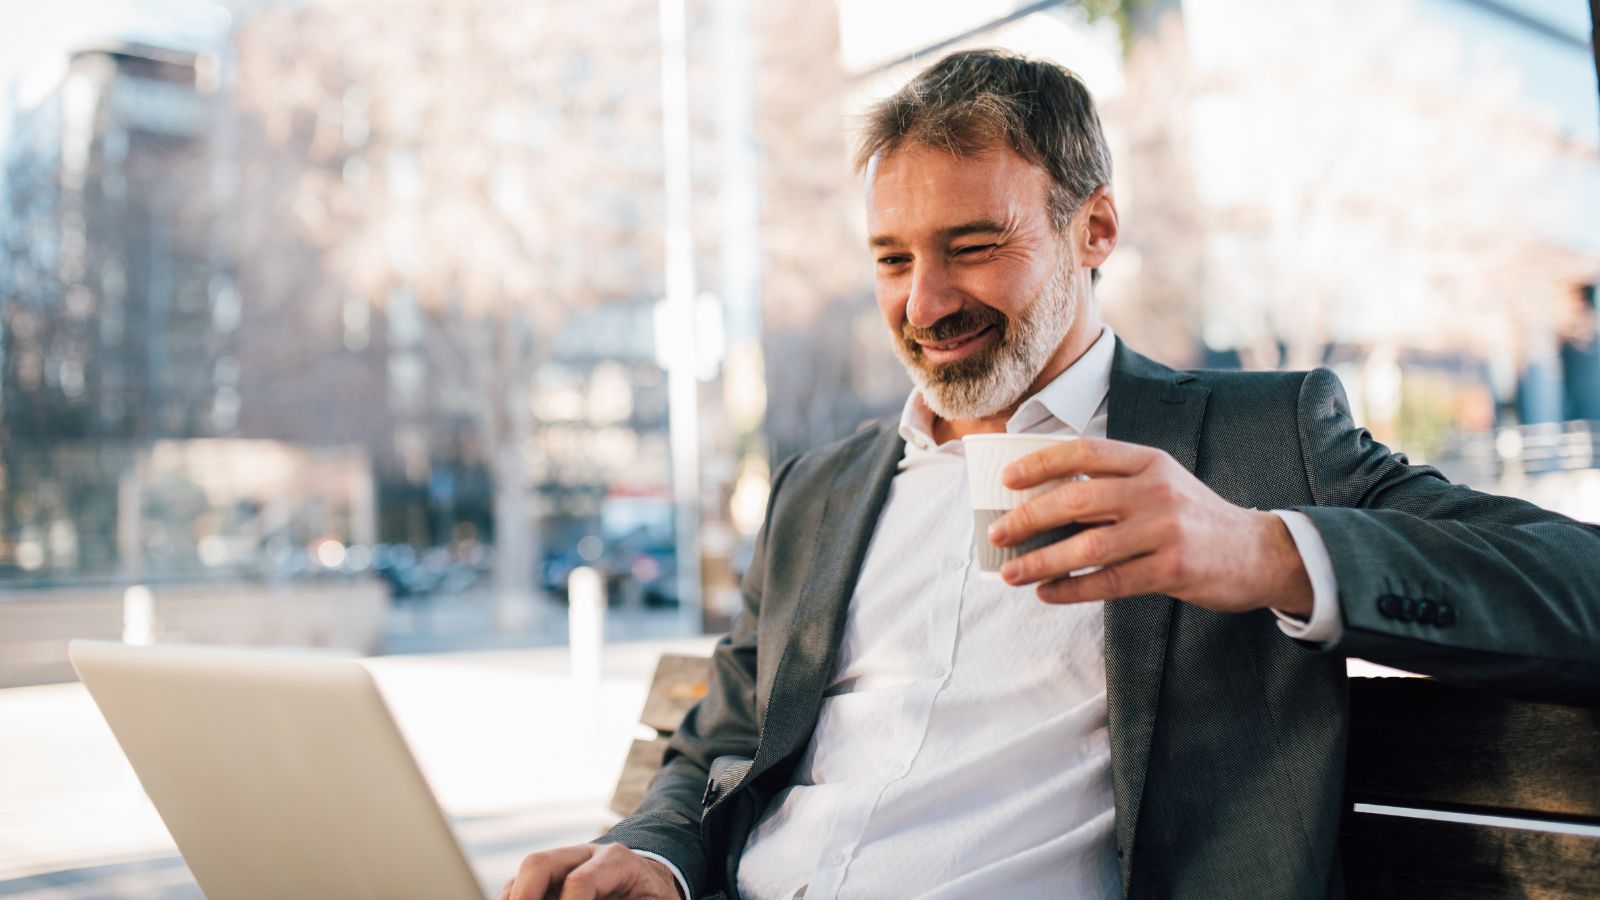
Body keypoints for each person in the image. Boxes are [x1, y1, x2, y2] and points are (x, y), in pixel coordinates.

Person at [500, 50, 1600, 900]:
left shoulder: (1260, 445)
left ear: (1095, 229)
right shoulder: (819, 490)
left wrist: (1258, 548)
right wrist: (657, 856)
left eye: (974, 245)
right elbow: (723, 741)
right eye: (892, 258)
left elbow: (1577, 588)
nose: (924, 304)